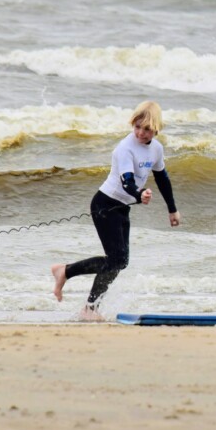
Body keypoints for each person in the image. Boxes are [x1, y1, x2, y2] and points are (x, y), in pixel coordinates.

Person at [51, 101, 180, 321]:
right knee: (116, 259)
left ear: (156, 129)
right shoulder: (125, 149)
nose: (140, 132)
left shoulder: (156, 149)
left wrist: (172, 210)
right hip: (105, 204)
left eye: (146, 129)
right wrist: (139, 194)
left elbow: (162, 178)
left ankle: (76, 286)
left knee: (120, 261)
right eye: (137, 126)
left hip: (121, 207)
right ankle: (82, 297)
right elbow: (127, 181)